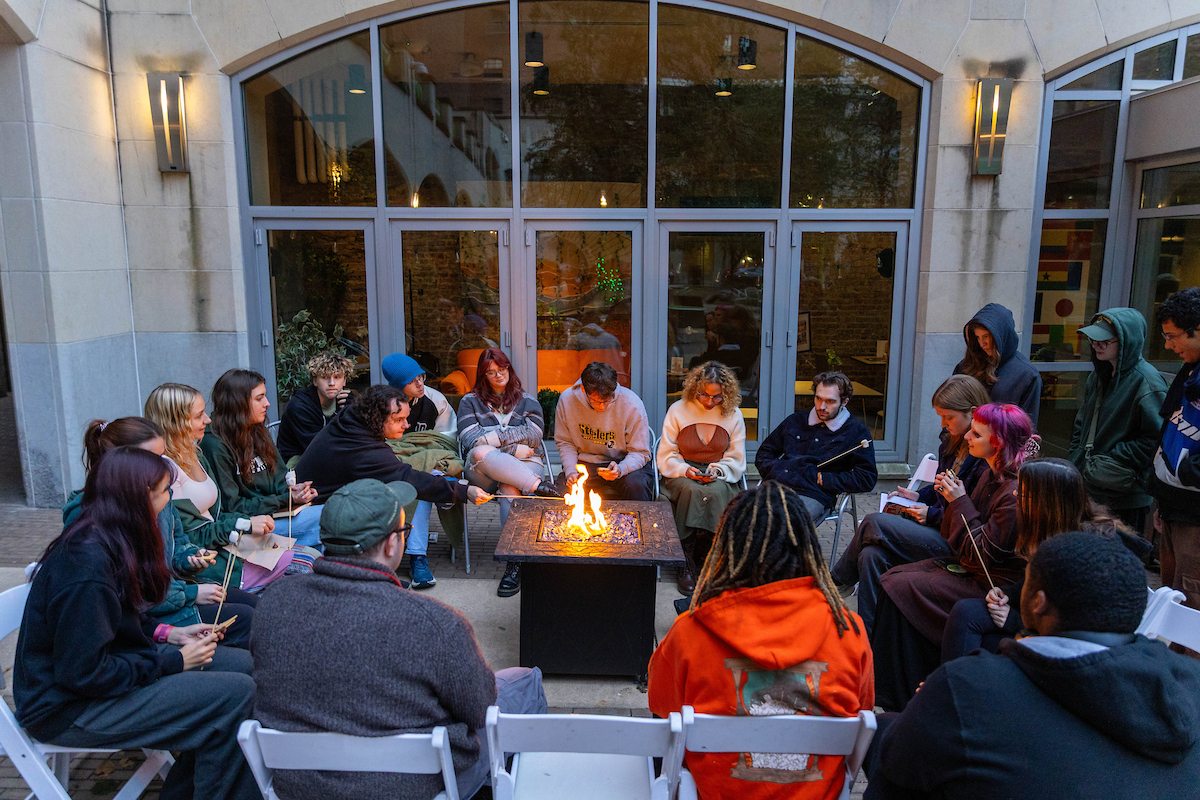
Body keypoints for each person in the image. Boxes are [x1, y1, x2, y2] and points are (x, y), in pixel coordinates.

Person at [251, 478, 547, 800]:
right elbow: (479, 710)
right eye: (405, 533)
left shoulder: (273, 604)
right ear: (392, 545)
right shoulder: (436, 623)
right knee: (526, 682)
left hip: (303, 786)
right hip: (420, 787)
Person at [864, 532, 1200, 799]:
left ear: (1038, 603)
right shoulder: (1191, 681)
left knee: (883, 734)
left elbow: (899, 762)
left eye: (1025, 580)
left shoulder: (970, 686)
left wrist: (925, 710)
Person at [15, 447, 259, 800]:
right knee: (237, 697)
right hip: (69, 708)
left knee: (247, 668)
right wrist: (172, 661)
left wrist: (170, 633)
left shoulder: (109, 540)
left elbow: (115, 624)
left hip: (103, 679)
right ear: (140, 497)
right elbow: (83, 673)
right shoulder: (87, 567)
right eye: (165, 491)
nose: (170, 500)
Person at [649, 482, 873, 799]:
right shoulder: (849, 630)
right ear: (808, 548)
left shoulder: (689, 634)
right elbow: (860, 713)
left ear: (727, 549)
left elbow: (663, 721)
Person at [872, 403, 1038, 710]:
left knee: (898, 585)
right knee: (889, 577)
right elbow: (956, 535)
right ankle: (891, 692)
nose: (967, 438)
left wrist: (957, 500)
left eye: (976, 433)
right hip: (968, 566)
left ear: (998, 442)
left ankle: (902, 695)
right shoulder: (992, 473)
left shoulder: (1015, 492)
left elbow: (984, 556)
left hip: (991, 586)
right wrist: (952, 501)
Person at [64, 416, 255, 649]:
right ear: (123, 462)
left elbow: (177, 543)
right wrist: (190, 594)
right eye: (154, 458)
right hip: (153, 619)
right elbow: (130, 597)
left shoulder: (158, 491)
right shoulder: (93, 524)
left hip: (165, 604)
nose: (165, 465)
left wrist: (190, 559)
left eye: (164, 456)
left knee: (255, 607)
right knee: (249, 623)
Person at [830, 375, 990, 635]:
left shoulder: (983, 454)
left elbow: (970, 511)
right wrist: (920, 497)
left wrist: (932, 514)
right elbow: (944, 488)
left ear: (972, 413)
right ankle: (868, 639)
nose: (943, 424)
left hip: (954, 540)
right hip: (940, 526)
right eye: (940, 416)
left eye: (948, 417)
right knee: (871, 555)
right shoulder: (951, 443)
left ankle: (835, 583)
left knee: (873, 522)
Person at [940, 458, 1144, 662]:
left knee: (990, 642)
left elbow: (1077, 622)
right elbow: (1042, 580)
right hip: (1041, 619)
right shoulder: (1055, 530)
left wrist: (1014, 620)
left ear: (1047, 502)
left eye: (1024, 493)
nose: (1015, 495)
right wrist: (1006, 595)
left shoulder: (1089, 550)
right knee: (965, 612)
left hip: (1077, 648)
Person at [146, 382, 295, 596]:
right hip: (209, 564)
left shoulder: (195, 454)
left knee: (302, 556)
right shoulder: (165, 469)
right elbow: (188, 538)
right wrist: (243, 524)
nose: (207, 419)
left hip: (227, 546)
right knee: (299, 564)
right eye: (199, 416)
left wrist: (246, 523)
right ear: (175, 422)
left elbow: (218, 514)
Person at [459, 348, 559, 598]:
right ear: (483, 375)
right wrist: (516, 448)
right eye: (490, 373)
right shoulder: (469, 401)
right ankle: (540, 487)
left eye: (501, 370)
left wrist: (493, 438)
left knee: (510, 488)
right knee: (481, 454)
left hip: (523, 468)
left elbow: (536, 436)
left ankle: (514, 562)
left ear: (509, 369)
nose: (497, 376)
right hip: (483, 472)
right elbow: (472, 441)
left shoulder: (528, 400)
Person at [295, 384, 490, 508]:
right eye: (399, 420)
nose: (406, 425)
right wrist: (464, 491)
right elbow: (407, 477)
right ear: (377, 418)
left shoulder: (351, 421)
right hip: (310, 509)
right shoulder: (365, 450)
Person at [1068, 308, 1167, 532]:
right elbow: (1081, 424)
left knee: (1118, 562)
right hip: (1089, 488)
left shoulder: (1147, 382)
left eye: (1104, 342)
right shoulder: (1099, 375)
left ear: (1125, 342)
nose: (1095, 346)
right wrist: (1077, 458)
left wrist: (1112, 457)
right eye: (1093, 340)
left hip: (1124, 495)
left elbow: (1157, 439)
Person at [203, 369, 322, 548]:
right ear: (237, 403)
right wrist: (285, 499)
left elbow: (280, 478)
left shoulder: (256, 429)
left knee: (330, 520)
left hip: (277, 514)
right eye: (259, 398)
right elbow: (232, 506)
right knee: (328, 518)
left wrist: (296, 492)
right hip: (250, 528)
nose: (267, 403)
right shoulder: (215, 445)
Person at [658, 361, 747, 595]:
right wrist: (683, 469)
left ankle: (711, 557)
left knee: (715, 492)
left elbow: (736, 457)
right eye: (704, 395)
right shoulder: (678, 409)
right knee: (692, 490)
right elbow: (666, 453)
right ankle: (685, 558)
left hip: (719, 472)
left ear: (726, 394)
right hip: (681, 472)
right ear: (694, 388)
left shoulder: (734, 415)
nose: (709, 402)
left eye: (717, 397)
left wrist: (719, 469)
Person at [756, 371, 878, 524]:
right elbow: (764, 453)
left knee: (785, 523)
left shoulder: (856, 432)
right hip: (776, 485)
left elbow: (867, 477)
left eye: (830, 401)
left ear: (844, 402)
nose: (822, 406)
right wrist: (778, 468)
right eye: (818, 398)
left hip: (813, 493)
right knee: (744, 517)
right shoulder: (795, 421)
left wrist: (825, 479)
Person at [382, 352, 460, 589]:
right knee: (418, 480)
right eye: (412, 380)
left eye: (421, 377)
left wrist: (423, 458)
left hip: (426, 461)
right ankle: (416, 556)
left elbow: (445, 442)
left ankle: (417, 556)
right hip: (393, 465)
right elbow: (380, 445)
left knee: (421, 481)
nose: (420, 384)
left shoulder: (436, 401)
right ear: (397, 386)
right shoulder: (384, 404)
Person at [1151, 287, 1200, 614]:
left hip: (1195, 516)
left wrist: (1186, 471)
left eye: (1173, 337)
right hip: (1171, 505)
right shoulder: (1190, 369)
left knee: (1190, 603)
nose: (1169, 346)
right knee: (1169, 597)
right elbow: (1169, 426)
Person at [553, 361, 654, 502]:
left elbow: (641, 452)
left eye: (608, 401)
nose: (602, 407)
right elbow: (565, 442)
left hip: (624, 462)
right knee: (561, 493)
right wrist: (570, 471)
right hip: (585, 464)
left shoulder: (631, 403)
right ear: (583, 389)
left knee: (637, 485)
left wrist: (621, 468)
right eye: (596, 401)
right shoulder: (567, 400)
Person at [954, 303, 1042, 424]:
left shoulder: (1026, 375)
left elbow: (1027, 427)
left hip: (1003, 441)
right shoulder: (966, 366)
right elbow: (951, 407)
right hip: (964, 441)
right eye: (977, 337)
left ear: (1002, 335)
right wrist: (947, 439)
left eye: (986, 336)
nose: (982, 343)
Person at [275, 350, 356, 467]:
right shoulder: (299, 406)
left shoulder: (347, 401)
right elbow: (317, 446)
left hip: (334, 455)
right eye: (325, 377)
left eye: (337, 377)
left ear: (344, 381)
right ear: (315, 381)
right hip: (298, 459)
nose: (331, 383)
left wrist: (354, 409)